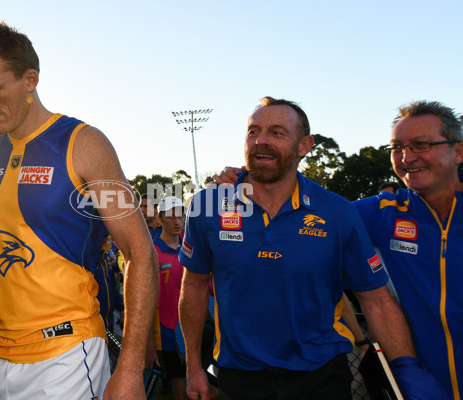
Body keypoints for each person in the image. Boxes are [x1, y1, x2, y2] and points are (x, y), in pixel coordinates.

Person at [0, 22, 157, 400]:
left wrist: (131, 367)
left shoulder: (85, 143)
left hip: (65, 358)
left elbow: (140, 254)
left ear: (30, 79)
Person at [178, 97, 446, 400]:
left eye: (277, 133)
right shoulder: (207, 205)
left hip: (322, 374)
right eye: (254, 132)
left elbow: (376, 300)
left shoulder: (337, 212)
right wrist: (193, 366)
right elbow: (195, 286)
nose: (261, 141)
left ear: (305, 145)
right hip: (239, 376)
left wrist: (404, 367)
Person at [353, 100, 463, 400]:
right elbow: (305, 212)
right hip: (423, 388)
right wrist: (243, 184)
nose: (406, 157)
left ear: (458, 151)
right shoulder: (381, 213)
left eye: (421, 145)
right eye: (397, 148)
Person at [152, 196, 188, 400]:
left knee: (208, 387)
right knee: (180, 390)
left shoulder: (191, 247)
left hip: (196, 328)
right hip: (168, 332)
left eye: (180, 216)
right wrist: (149, 342)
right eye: (171, 217)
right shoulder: (153, 252)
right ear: (159, 219)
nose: (177, 222)